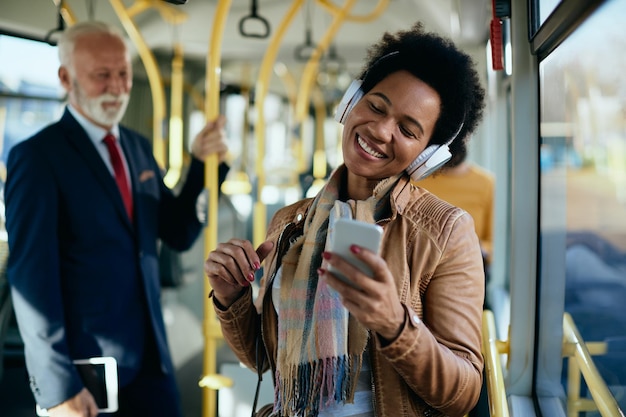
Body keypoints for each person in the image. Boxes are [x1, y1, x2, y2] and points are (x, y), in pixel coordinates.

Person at [205, 22, 485, 417]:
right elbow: (265, 359)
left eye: (407, 129)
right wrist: (229, 297)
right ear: (352, 101)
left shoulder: (445, 232)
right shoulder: (291, 222)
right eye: (375, 105)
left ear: (427, 156)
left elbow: (462, 396)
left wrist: (395, 324)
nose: (381, 130)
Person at [4, 20, 229, 417]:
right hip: (85, 370)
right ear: (65, 78)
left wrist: (199, 167)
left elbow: (174, 233)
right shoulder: (38, 158)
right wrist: (57, 387)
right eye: (101, 75)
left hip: (152, 360)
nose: (117, 87)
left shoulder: (138, 149)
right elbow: (31, 282)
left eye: (123, 74)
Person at [414, 148, 494, 278]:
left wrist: (476, 248)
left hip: (467, 270)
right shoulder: (417, 179)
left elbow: (494, 242)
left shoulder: (486, 183)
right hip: (420, 268)